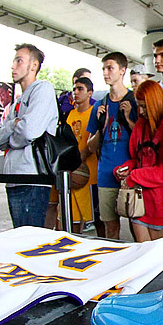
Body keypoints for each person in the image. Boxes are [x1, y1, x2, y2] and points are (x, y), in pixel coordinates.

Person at [0, 43, 58, 228]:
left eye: (19, 61)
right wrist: (13, 126)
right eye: (14, 61)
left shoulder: (43, 90)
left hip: (32, 179)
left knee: (30, 240)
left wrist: (11, 139)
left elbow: (30, 131)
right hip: (13, 179)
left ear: (34, 65)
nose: (13, 66)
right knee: (19, 237)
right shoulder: (17, 103)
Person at [115, 80, 163, 242]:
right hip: (138, 202)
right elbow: (137, 159)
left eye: (144, 106)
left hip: (161, 204)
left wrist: (134, 176)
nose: (140, 111)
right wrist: (125, 170)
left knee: (155, 257)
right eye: (138, 106)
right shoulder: (141, 124)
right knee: (143, 252)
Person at [85, 52, 137, 239]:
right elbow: (91, 146)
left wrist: (129, 120)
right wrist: (102, 125)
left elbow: (144, 139)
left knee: (137, 226)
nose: (106, 73)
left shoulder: (135, 101)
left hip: (131, 172)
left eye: (110, 68)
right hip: (106, 172)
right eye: (104, 69)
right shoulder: (100, 105)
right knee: (110, 228)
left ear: (122, 71)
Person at [65, 77, 99, 234]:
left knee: (92, 224)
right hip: (73, 172)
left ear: (90, 93)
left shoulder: (94, 112)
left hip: (89, 174)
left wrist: (78, 161)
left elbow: (92, 144)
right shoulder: (70, 114)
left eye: (80, 89)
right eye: (74, 89)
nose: (75, 92)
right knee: (72, 221)